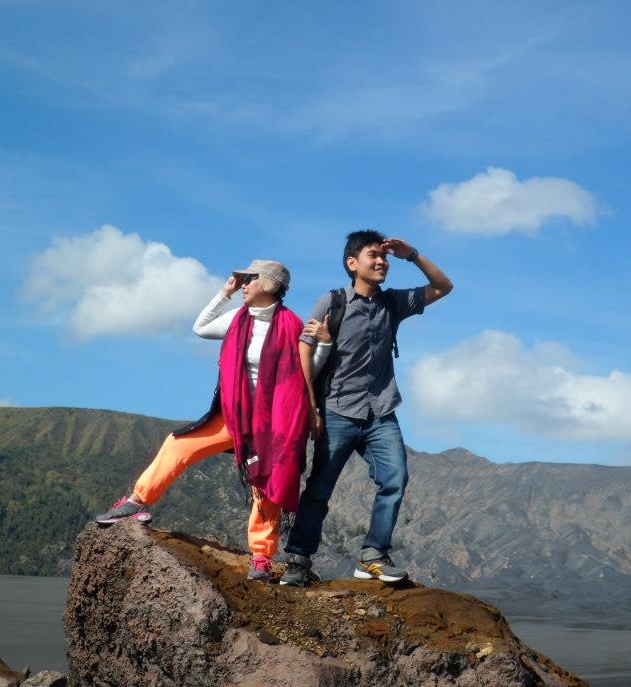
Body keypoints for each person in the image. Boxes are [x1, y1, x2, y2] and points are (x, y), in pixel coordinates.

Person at [95, 259, 327, 582]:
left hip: (274, 424)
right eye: (242, 279)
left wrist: (325, 343)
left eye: (250, 279)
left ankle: (261, 556)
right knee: (178, 445)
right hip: (235, 415)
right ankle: (137, 502)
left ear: (271, 285)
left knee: (267, 483)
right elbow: (201, 327)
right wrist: (224, 293)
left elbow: (307, 372)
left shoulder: (292, 326)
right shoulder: (237, 319)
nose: (243, 283)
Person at [279, 230, 453, 586]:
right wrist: (312, 407)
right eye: (373, 255)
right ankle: (298, 561)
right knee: (320, 488)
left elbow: (443, 286)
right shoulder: (332, 302)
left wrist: (412, 254)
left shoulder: (393, 304)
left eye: (384, 257)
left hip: (381, 411)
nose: (381, 262)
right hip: (337, 408)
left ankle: (373, 556)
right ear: (352, 263)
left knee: (395, 479)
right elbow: (304, 350)